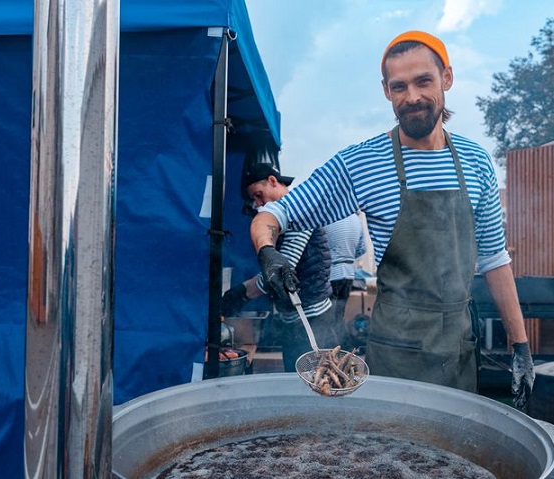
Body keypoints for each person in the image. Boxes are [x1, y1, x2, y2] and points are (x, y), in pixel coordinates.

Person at [248, 31, 535, 407]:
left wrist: (521, 344)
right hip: (396, 350)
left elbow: (495, 259)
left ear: (446, 78)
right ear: (386, 90)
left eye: (423, 81)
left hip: (458, 345)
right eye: (399, 86)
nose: (411, 97)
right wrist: (268, 250)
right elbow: (273, 214)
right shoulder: (363, 163)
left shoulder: (476, 160)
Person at [220, 163, 349, 372]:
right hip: (293, 320)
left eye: (260, 195)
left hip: (312, 321)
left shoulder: (300, 213)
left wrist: (241, 293)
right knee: (295, 380)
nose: (259, 204)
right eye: (255, 199)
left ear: (273, 181)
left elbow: (279, 272)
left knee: (317, 382)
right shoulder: (281, 218)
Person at [324, 213, 367, 344]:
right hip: (348, 273)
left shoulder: (328, 217)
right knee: (339, 315)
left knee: (328, 317)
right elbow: (362, 249)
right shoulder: (356, 220)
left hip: (331, 273)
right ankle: (344, 351)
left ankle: (335, 352)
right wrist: (347, 255)